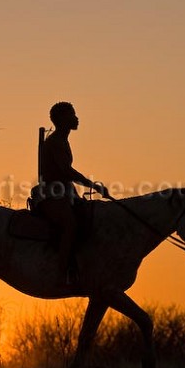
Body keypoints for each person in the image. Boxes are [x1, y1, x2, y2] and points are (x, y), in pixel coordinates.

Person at [38, 102, 108, 285]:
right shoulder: (54, 142)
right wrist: (93, 185)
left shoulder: (63, 140)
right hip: (52, 195)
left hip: (65, 194)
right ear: (61, 119)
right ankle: (61, 272)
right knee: (70, 225)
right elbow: (66, 171)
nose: (76, 118)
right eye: (72, 115)